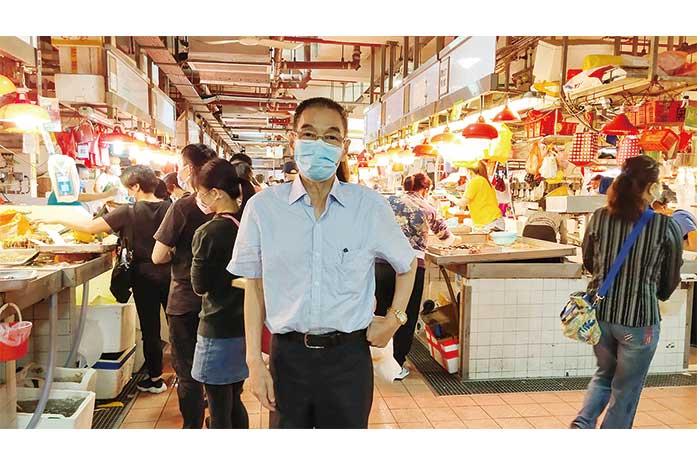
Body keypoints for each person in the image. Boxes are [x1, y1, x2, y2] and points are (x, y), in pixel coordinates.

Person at [228, 97, 417, 429]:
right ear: (293, 140)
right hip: (288, 357)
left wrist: (394, 319)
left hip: (348, 359)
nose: (319, 144)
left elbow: (407, 263)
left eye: (331, 136)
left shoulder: (368, 207)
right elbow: (254, 289)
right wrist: (254, 363)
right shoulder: (263, 209)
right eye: (309, 134)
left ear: (344, 147)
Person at [571, 155, 683, 429]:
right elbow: (670, 277)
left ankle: (582, 425)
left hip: (601, 315)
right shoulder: (665, 225)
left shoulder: (599, 217)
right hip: (639, 321)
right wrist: (658, 295)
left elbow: (589, 261)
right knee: (626, 389)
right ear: (651, 187)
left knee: (604, 375)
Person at [40, 165, 172, 393]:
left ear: (136, 186)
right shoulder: (171, 208)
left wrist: (57, 219)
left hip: (143, 276)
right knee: (179, 327)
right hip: (171, 273)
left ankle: (155, 379)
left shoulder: (128, 212)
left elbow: (90, 228)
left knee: (150, 329)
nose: (128, 192)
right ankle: (190, 378)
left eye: (128, 188)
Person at [152, 143, 217, 429]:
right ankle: (219, 420)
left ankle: (192, 426)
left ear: (189, 169)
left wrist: (179, 256)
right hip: (222, 302)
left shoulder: (182, 207)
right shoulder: (231, 206)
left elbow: (158, 256)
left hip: (185, 301)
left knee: (188, 371)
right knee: (220, 369)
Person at [191, 158, 255, 429]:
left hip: (217, 329)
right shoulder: (248, 224)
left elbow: (199, 286)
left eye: (201, 192)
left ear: (215, 193)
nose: (199, 198)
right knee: (234, 397)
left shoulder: (208, 232)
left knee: (218, 407)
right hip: (244, 326)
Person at [375, 173, 454, 380]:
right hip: (411, 267)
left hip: (381, 263)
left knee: (378, 311)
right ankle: (396, 364)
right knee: (404, 315)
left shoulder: (387, 201)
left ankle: (370, 359)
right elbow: (446, 238)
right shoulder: (427, 207)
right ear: (425, 189)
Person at [450, 160, 504, 232]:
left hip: (490, 223)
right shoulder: (484, 181)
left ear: (470, 171)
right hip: (494, 222)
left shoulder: (476, 181)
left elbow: (462, 203)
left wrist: (448, 196)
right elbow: (481, 203)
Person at [47, 163, 118, 209]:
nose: (85, 181)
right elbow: (78, 197)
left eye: (86, 179)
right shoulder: (64, 189)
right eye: (83, 179)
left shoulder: (78, 190)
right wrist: (105, 194)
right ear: (73, 177)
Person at [652, 187, 697, 251]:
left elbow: (695, 245)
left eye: (656, 212)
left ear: (664, 207)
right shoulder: (673, 219)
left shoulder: (679, 217)